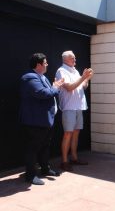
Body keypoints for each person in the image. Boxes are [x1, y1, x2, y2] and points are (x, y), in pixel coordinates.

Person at [20, 53, 64, 185]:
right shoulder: (30, 78)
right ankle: (30, 175)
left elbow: (50, 92)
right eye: (45, 63)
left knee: (45, 146)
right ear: (38, 65)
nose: (47, 65)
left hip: (46, 120)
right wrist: (55, 87)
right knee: (33, 148)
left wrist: (55, 87)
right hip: (35, 121)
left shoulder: (42, 77)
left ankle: (45, 169)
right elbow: (43, 93)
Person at [55, 51, 93, 171]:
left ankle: (74, 158)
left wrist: (86, 79)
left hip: (78, 107)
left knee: (76, 133)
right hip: (69, 107)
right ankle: (64, 161)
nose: (75, 60)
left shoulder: (75, 71)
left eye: (75, 58)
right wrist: (83, 77)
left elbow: (83, 86)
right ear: (65, 59)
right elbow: (70, 88)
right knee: (68, 134)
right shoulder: (61, 71)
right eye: (72, 58)